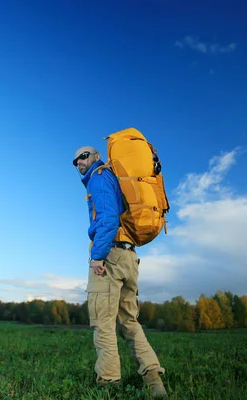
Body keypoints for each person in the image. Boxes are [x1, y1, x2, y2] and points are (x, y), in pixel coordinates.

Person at [73, 145, 168, 399]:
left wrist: (98, 256)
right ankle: (154, 381)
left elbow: (108, 218)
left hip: (110, 255)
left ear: (96, 157)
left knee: (103, 323)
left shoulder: (99, 177)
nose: (79, 163)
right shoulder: (114, 178)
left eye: (83, 156)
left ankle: (108, 386)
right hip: (128, 256)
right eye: (75, 161)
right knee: (129, 321)